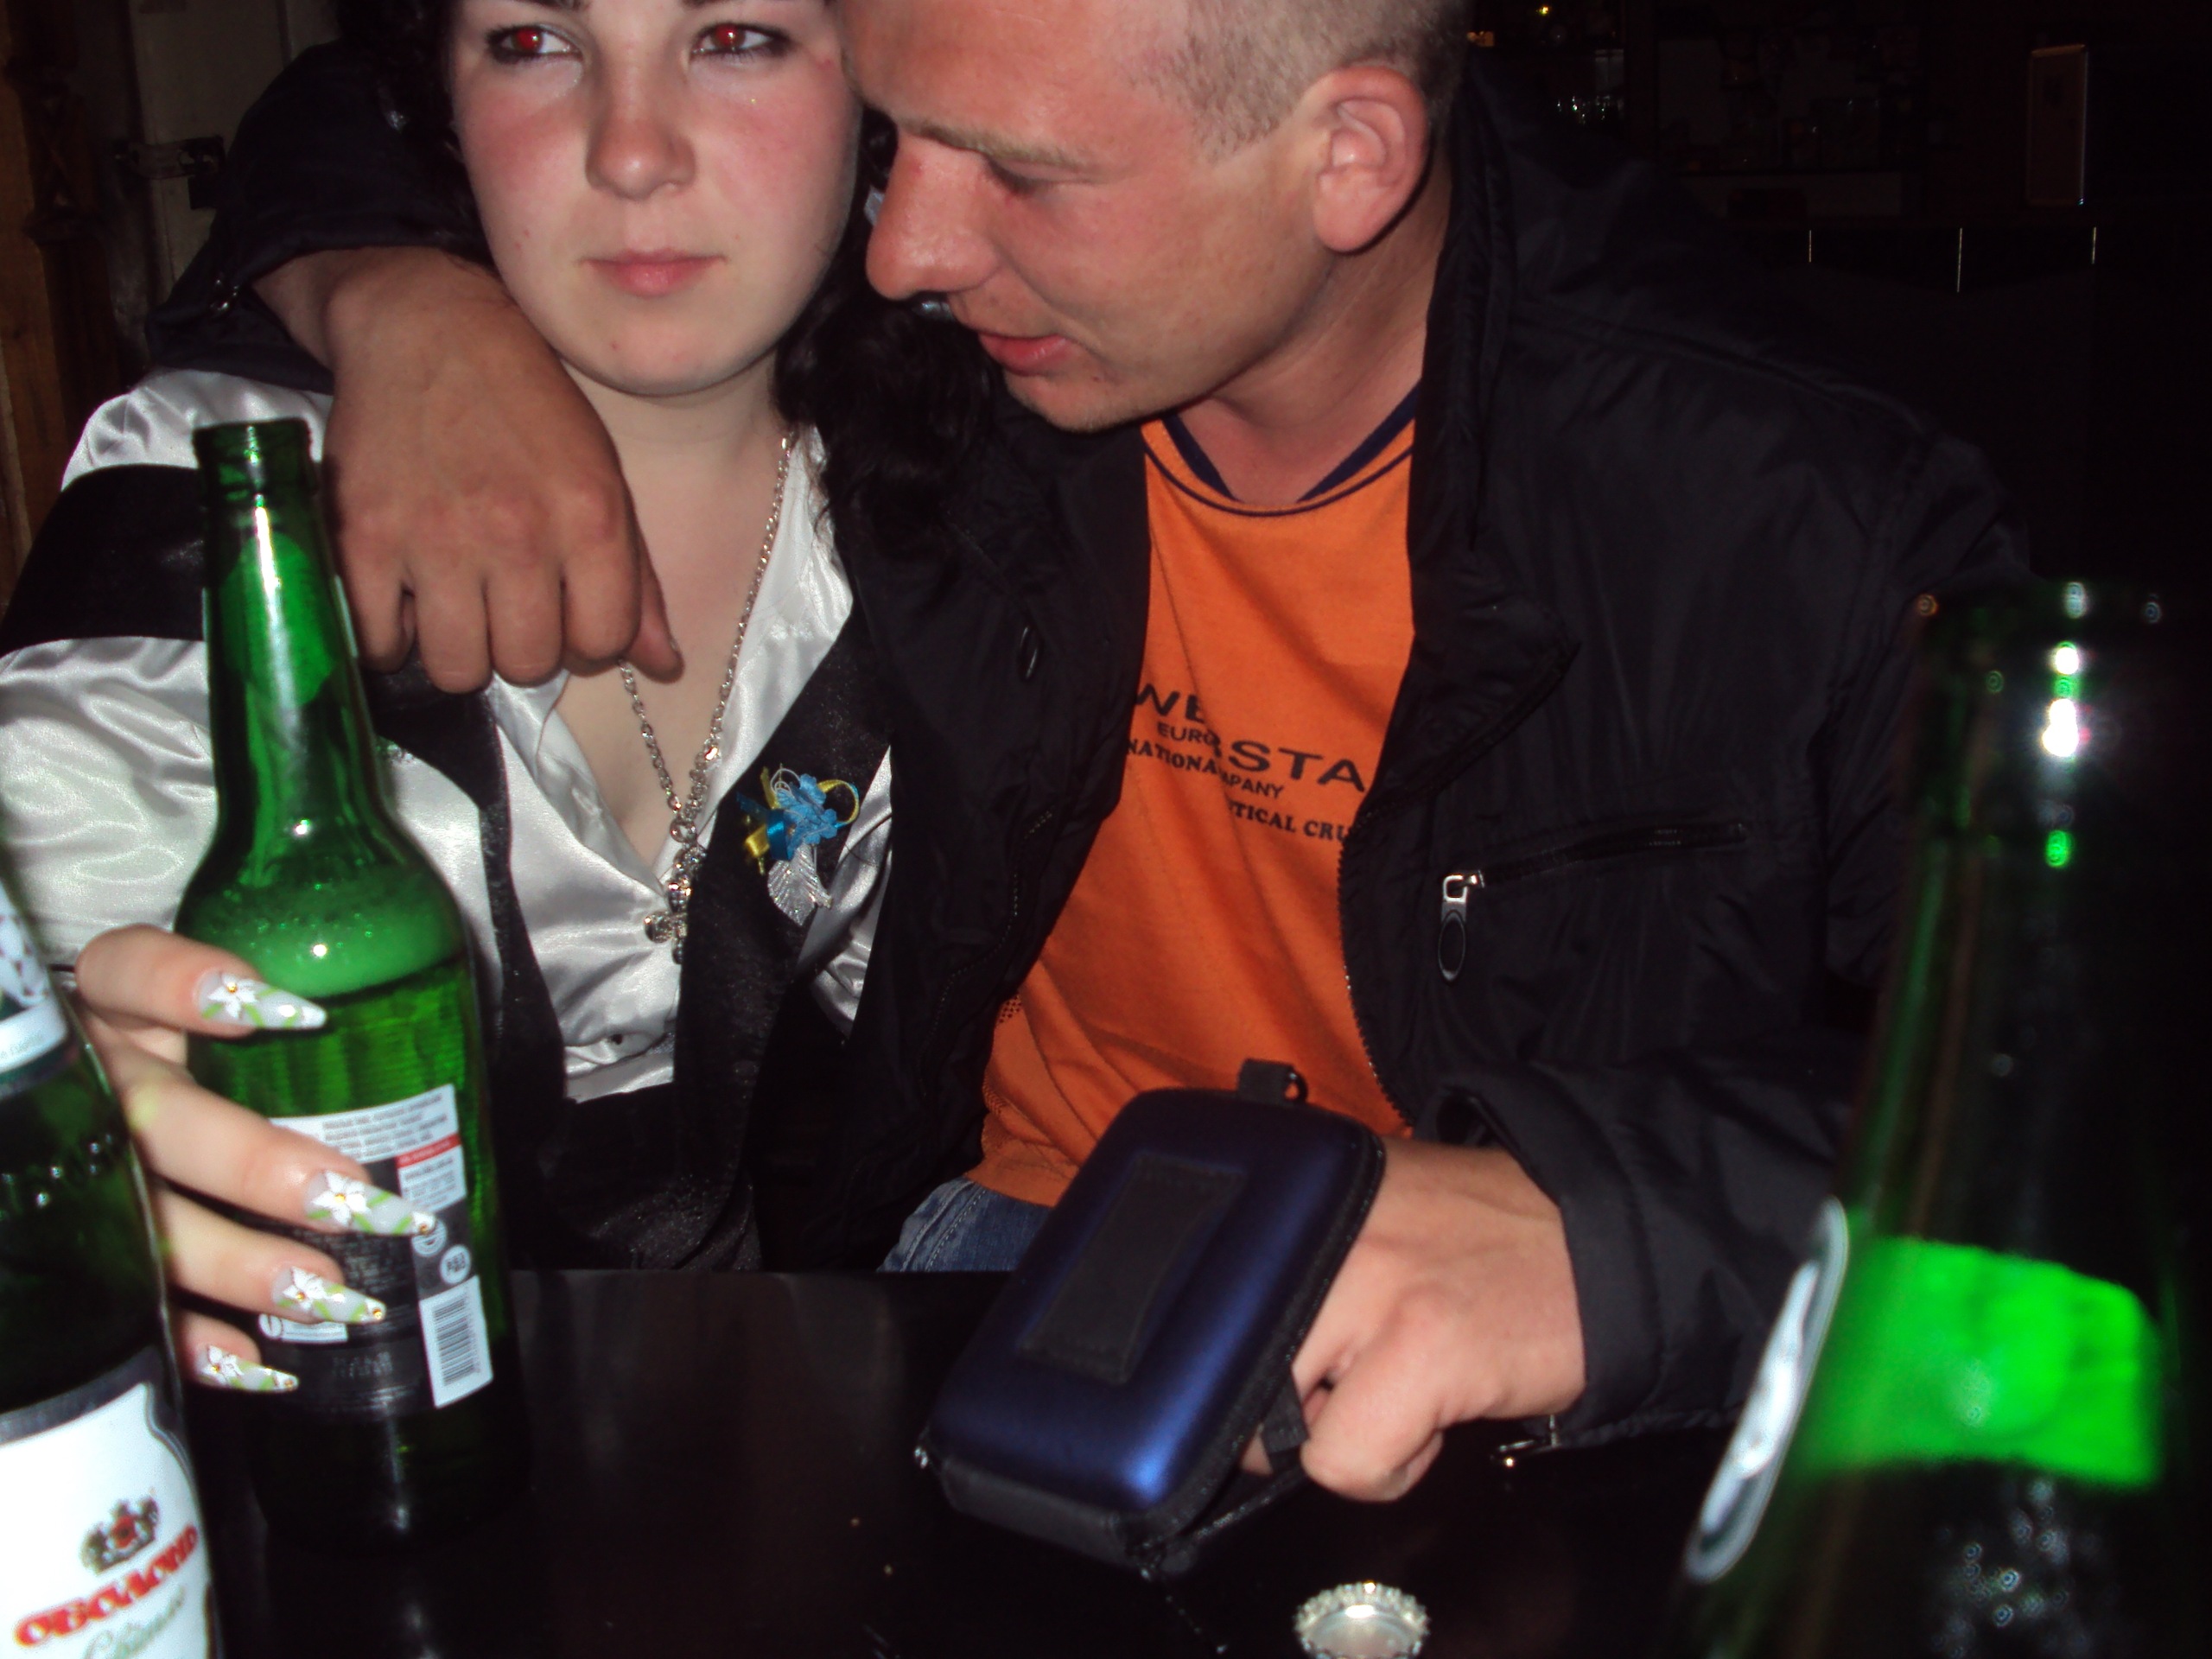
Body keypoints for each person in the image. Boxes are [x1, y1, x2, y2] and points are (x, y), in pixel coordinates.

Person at [132, 0, 2024, 1500]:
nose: (898, 251)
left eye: (1019, 178)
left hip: (1529, 1377)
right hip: (996, 1260)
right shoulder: (960, 353)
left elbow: (2093, 1103)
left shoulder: (1790, 510)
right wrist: (398, 301)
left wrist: (1608, 1230)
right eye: (899, 136)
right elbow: (409, 89)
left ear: (1348, 158)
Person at [0, 0, 988, 1390]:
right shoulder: (227, 510)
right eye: (532, 44)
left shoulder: (952, 536)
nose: (631, 151)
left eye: (737, 38)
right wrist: (68, 1115)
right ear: (440, 100)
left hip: (777, 1411)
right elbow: (55, 950)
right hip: (322, 1415)